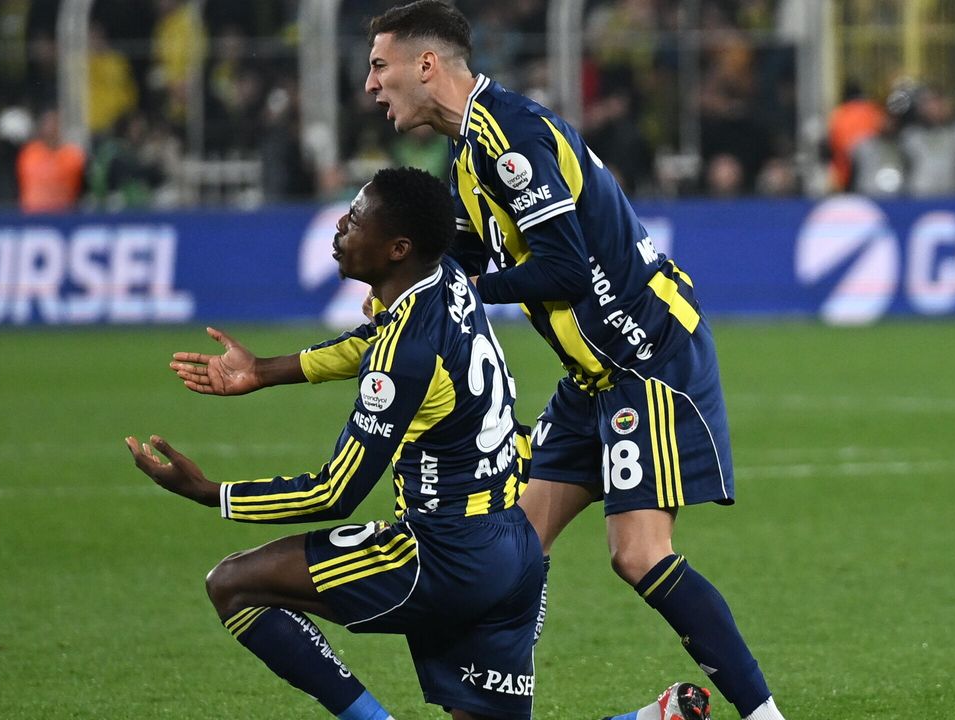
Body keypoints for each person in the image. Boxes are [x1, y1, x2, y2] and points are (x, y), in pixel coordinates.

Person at [361, 3, 785, 719]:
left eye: (380, 66)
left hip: (647, 358)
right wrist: (400, 281)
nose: (372, 84)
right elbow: (463, 254)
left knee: (637, 554)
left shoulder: (511, 138)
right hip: (592, 378)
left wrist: (459, 291)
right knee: (514, 548)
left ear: (425, 65)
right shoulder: (469, 152)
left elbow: (564, 268)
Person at [129, 167, 546, 720]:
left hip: (444, 558)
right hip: (516, 548)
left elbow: (334, 494)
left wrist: (210, 493)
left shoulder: (404, 352)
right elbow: (378, 339)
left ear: (398, 249)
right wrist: (263, 370)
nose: (341, 226)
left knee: (233, 585)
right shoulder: (445, 279)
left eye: (356, 219)